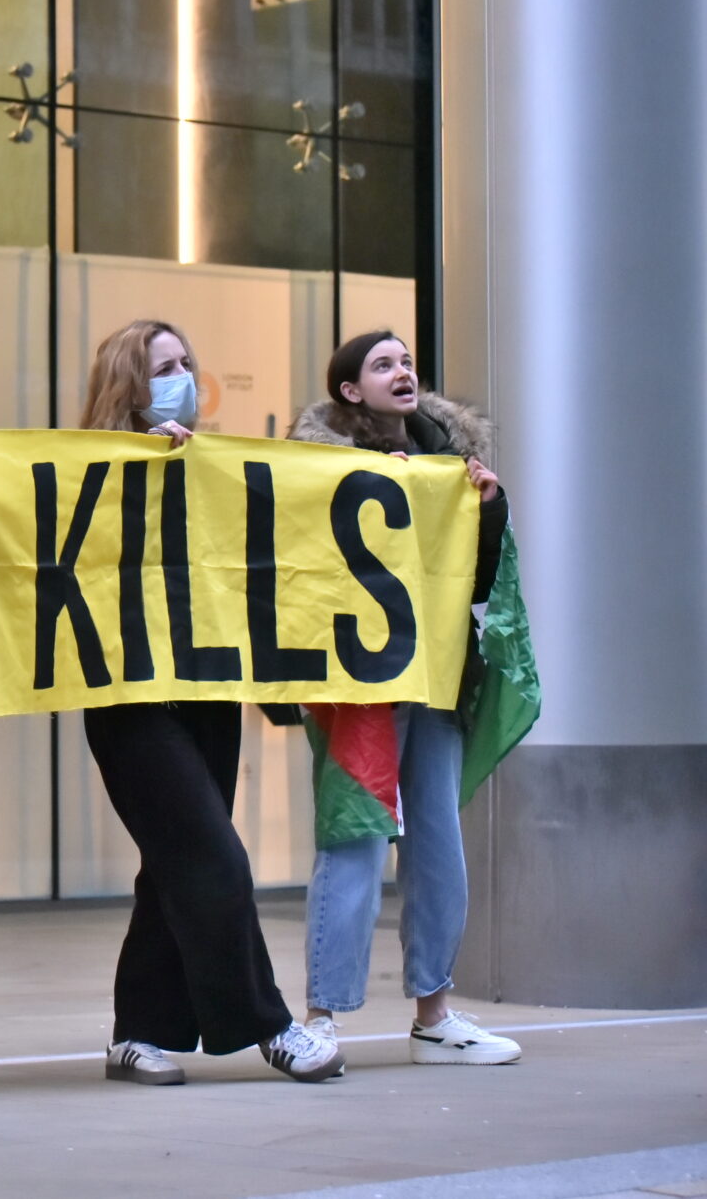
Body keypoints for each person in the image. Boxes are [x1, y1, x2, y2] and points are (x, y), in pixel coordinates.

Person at [78, 319, 344, 1086]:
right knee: (215, 856)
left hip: (206, 687)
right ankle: (269, 1026)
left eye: (189, 360)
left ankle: (137, 1034)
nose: (185, 373)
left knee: (172, 865)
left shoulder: (216, 467)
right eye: (166, 365)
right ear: (130, 383)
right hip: (127, 698)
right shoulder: (85, 470)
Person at [287, 329, 521, 1065]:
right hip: (361, 681)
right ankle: (322, 1017)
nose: (403, 371)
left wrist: (486, 506)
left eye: (407, 361)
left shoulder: (449, 459)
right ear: (350, 390)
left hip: (439, 670)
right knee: (354, 839)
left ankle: (435, 1014)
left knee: (438, 844)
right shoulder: (319, 467)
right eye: (383, 364)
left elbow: (478, 581)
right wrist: (365, 489)